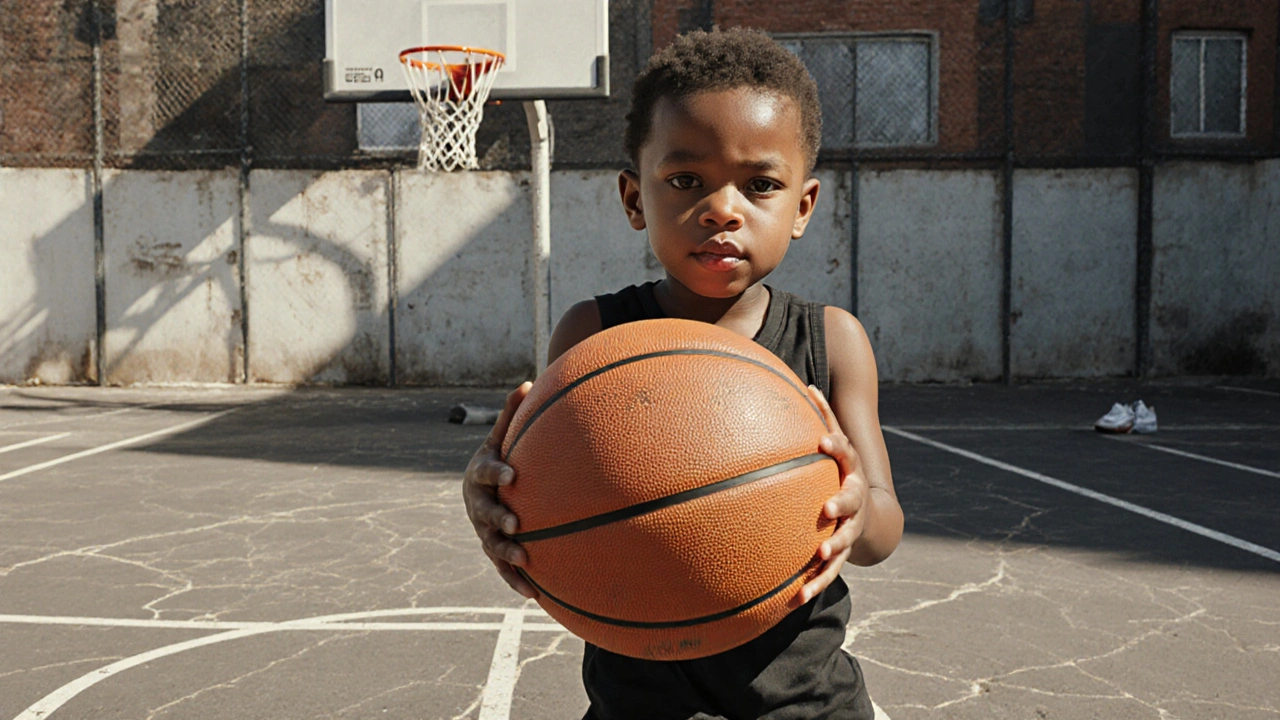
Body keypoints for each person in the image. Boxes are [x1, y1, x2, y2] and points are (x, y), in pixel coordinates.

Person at [463, 27, 903, 720]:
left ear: (803, 208)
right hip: (639, 706)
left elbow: (881, 531)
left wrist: (856, 509)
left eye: (760, 185)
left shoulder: (832, 342)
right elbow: (544, 516)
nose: (722, 208)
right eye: (686, 180)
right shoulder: (593, 339)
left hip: (807, 705)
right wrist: (494, 503)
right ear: (635, 199)